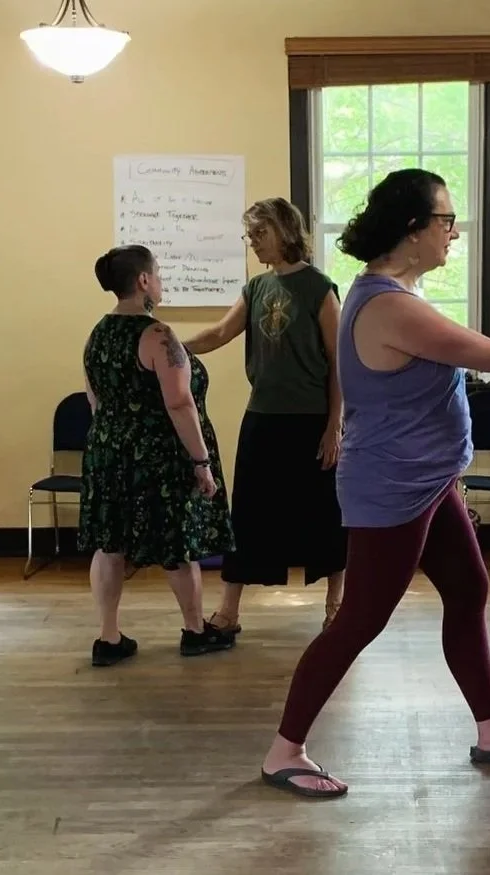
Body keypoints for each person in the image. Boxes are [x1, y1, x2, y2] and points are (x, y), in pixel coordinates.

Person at [259, 168, 490, 798]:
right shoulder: (388, 305)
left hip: (428, 482)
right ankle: (284, 750)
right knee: (360, 618)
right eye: (445, 220)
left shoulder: (393, 294)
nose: (454, 231)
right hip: (392, 488)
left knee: (467, 590)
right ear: (413, 231)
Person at [184, 198, 345, 635]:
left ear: (285, 232)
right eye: (250, 235)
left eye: (260, 233)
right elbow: (219, 333)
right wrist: (173, 347)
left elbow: (339, 363)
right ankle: (229, 612)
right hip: (264, 416)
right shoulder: (255, 288)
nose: (253, 242)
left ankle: (336, 607)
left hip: (312, 420)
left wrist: (335, 425)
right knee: (251, 513)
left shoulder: (320, 288)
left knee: (324, 512)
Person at [79, 244, 237, 667]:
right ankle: (195, 630)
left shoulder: (98, 334)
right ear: (144, 281)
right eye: (159, 274)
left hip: (107, 450)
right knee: (176, 544)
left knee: (109, 544)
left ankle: (108, 638)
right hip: (159, 457)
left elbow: (95, 399)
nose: (161, 281)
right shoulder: (157, 335)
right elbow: (180, 404)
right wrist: (201, 463)